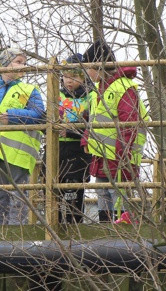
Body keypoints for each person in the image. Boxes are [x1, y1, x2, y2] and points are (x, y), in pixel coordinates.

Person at [0, 47, 45, 225]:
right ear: (4, 64)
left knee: (19, 195)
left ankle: (16, 234)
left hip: (18, 152)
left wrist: (13, 115)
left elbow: (39, 115)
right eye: (18, 61)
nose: (23, 66)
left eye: (24, 63)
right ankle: (2, 234)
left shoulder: (30, 89)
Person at [81, 40, 148, 223]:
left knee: (117, 192)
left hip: (120, 155)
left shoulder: (123, 88)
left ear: (98, 65)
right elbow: (94, 119)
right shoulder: (98, 91)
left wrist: (123, 151)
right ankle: (106, 225)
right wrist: (87, 139)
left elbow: (130, 123)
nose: (86, 72)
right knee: (102, 190)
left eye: (88, 67)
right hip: (103, 153)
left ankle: (122, 228)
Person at [56, 53, 91, 224]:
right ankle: (55, 223)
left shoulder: (89, 97)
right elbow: (46, 117)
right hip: (58, 149)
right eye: (66, 76)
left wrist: (69, 131)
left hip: (78, 150)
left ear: (83, 77)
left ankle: (75, 223)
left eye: (74, 76)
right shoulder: (57, 96)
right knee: (55, 189)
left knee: (75, 191)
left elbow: (90, 122)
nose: (69, 80)